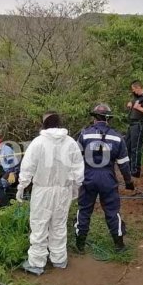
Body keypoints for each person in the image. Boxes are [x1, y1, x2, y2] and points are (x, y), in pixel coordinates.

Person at [16, 111, 85, 275]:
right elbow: (78, 169)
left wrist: (21, 186)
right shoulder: (71, 143)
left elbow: (27, 167)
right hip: (63, 190)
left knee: (40, 224)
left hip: (42, 191)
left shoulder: (38, 143)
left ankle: (37, 262)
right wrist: (76, 187)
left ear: (44, 124)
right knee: (59, 225)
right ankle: (59, 259)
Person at [75, 104, 135, 254]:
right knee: (112, 211)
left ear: (94, 117)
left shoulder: (84, 135)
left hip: (88, 177)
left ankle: (80, 245)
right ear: (108, 118)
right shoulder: (117, 137)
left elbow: (75, 159)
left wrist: (75, 178)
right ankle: (119, 245)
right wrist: (128, 181)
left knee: (84, 210)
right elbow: (123, 164)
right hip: (108, 178)